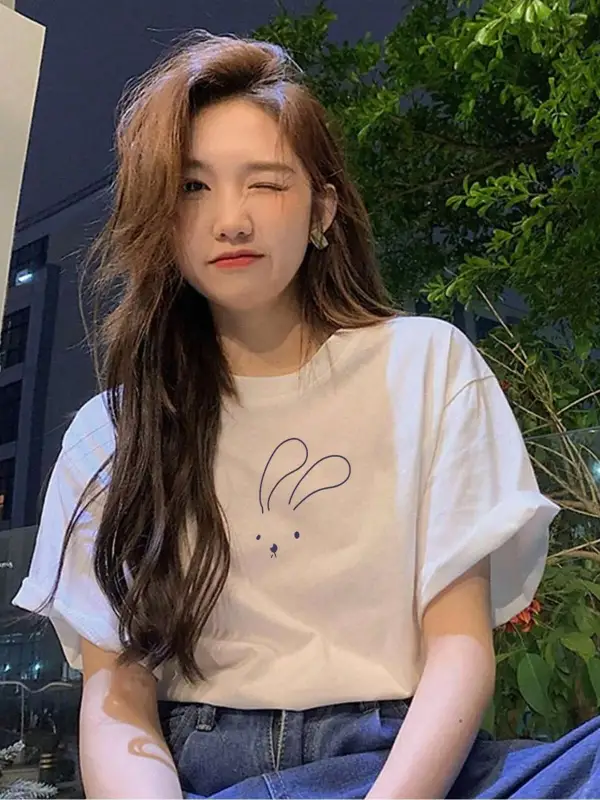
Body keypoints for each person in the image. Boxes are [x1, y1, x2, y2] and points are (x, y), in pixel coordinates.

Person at [11, 32, 600, 800]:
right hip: (204, 773)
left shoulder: (427, 366)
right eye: (192, 187)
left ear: (322, 208)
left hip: (404, 762)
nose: (230, 220)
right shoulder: (113, 432)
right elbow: (116, 694)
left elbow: (458, 650)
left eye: (265, 184)